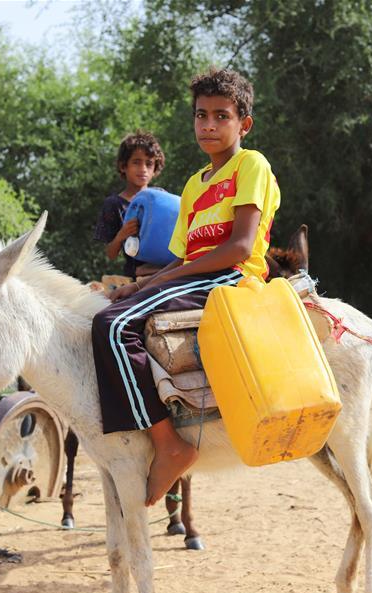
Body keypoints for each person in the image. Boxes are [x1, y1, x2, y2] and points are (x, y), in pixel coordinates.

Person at [91, 68, 280, 506]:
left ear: (243, 124)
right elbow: (181, 256)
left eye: (221, 116)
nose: (209, 125)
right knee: (114, 310)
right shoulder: (195, 185)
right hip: (196, 274)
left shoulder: (250, 165)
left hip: (232, 277)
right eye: (201, 116)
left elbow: (239, 246)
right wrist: (141, 286)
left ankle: (169, 444)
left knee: (112, 327)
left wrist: (171, 278)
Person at [93, 131, 166, 281]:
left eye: (149, 163)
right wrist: (122, 234)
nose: (143, 169)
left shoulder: (161, 197)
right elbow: (111, 254)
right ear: (123, 166)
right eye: (136, 162)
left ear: (155, 168)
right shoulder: (114, 204)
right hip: (136, 276)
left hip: (166, 270)